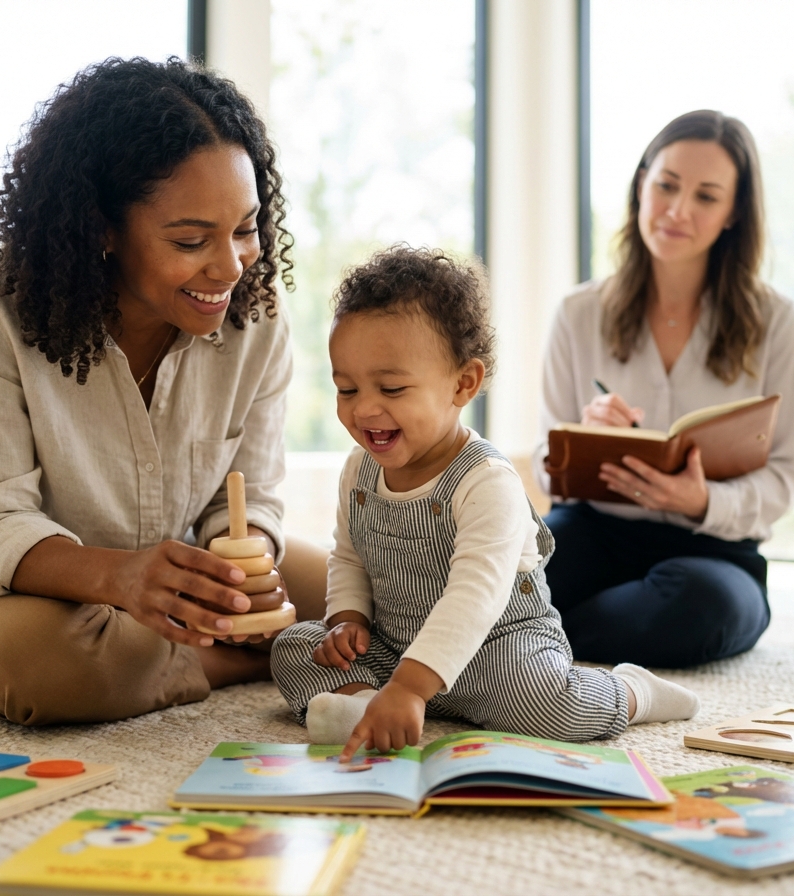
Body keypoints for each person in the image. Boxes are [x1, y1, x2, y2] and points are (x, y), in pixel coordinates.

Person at [0, 57, 328, 726]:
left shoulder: (257, 316)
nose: (230, 267)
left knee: (369, 596)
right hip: (9, 591)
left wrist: (242, 565)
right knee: (40, 668)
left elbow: (249, 495)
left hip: (176, 574)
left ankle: (186, 650)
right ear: (101, 228)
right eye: (192, 240)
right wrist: (121, 579)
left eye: (246, 228)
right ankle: (249, 659)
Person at [270, 247, 699, 759]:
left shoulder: (487, 481)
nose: (364, 408)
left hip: (497, 650)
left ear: (463, 383)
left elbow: (475, 596)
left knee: (546, 706)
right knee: (294, 645)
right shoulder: (358, 471)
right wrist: (347, 621)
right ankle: (367, 703)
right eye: (346, 388)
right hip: (395, 642)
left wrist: (410, 687)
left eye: (391, 387)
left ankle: (631, 691)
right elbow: (348, 555)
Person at [531, 110, 794, 669]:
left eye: (707, 196)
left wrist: (703, 500)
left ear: (734, 212)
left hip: (713, 551)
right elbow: (544, 465)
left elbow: (787, 472)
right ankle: (537, 633)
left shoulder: (775, 320)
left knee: (700, 607)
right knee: (520, 576)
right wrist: (582, 441)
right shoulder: (579, 313)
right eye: (665, 185)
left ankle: (531, 644)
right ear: (641, 184)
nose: (678, 211)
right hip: (593, 531)